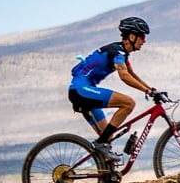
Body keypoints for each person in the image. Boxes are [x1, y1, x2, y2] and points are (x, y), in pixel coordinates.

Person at [68, 17, 159, 163]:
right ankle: (100, 144)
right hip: (81, 90)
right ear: (131, 36)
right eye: (142, 37)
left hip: (84, 90)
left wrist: (152, 90)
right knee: (128, 103)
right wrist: (147, 92)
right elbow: (124, 76)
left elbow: (132, 75)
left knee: (107, 138)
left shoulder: (122, 53)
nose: (144, 41)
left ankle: (106, 177)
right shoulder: (117, 52)